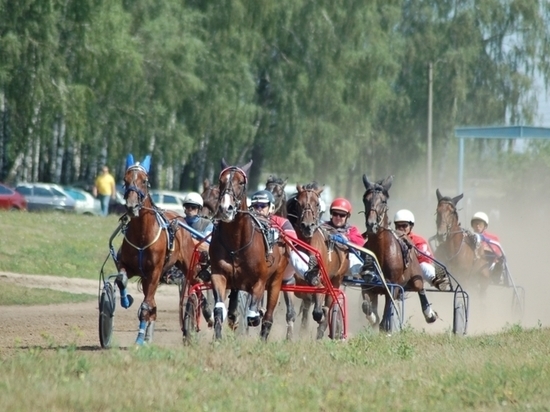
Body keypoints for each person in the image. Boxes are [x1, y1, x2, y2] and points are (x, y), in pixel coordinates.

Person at [249, 190, 313, 285]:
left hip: (280, 269)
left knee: (294, 254)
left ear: (271, 207)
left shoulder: (282, 222)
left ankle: (310, 274)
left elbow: (292, 241)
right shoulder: (247, 223)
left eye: (263, 206)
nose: (259, 209)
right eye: (256, 206)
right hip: (252, 266)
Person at [393, 209, 449, 291]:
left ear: (411, 226)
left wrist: (409, 243)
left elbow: (426, 259)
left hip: (416, 272)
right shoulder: (391, 240)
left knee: (423, 265)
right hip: (397, 271)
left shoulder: (418, 240)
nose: (401, 229)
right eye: (398, 226)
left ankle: (438, 281)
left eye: (404, 226)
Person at [323, 198, 366, 277]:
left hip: (347, 264)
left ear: (347, 216)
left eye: (342, 215)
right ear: (331, 214)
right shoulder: (323, 227)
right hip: (325, 260)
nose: (338, 217)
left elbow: (361, 242)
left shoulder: (351, 230)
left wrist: (347, 238)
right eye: (335, 214)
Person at [470, 211, 505, 283]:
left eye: (480, 224)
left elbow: (497, 252)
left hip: (489, 264)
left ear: (485, 226)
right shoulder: (468, 237)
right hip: (472, 263)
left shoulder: (493, 238)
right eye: (475, 224)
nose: (477, 226)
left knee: (499, 262)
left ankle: (496, 278)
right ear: (472, 226)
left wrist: (483, 248)